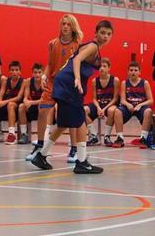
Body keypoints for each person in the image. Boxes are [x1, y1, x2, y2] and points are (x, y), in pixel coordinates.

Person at [31, 20, 113, 174]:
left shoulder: (91, 46)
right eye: (102, 33)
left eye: (109, 34)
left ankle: (41, 156)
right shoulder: (93, 46)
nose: (105, 36)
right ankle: (81, 162)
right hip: (69, 84)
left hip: (63, 83)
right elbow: (76, 60)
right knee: (80, 120)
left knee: (63, 123)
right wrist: (76, 78)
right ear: (96, 33)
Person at [27, 14, 82, 162]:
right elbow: (50, 64)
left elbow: (78, 65)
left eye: (68, 24)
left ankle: (74, 149)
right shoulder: (53, 43)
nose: (65, 26)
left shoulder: (77, 44)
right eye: (63, 24)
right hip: (53, 82)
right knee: (42, 110)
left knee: (70, 117)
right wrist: (44, 75)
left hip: (68, 84)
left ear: (73, 27)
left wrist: (77, 79)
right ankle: (39, 145)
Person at [113, 61, 154, 148]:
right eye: (131, 70)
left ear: (139, 72)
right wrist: (128, 104)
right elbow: (122, 100)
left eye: (135, 70)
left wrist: (140, 105)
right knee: (117, 111)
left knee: (148, 111)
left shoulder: (145, 83)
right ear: (128, 72)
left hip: (140, 107)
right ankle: (119, 138)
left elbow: (151, 100)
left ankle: (143, 138)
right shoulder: (124, 83)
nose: (133, 72)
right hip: (129, 107)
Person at [0, 61, 23, 144]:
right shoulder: (6, 81)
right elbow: (0, 94)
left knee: (10, 105)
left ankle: (11, 134)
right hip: (5, 104)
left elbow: (19, 97)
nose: (14, 72)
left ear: (20, 71)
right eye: (12, 70)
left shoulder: (23, 82)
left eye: (16, 70)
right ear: (9, 71)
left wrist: (4, 102)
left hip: (16, 106)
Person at [85, 58, 119, 147]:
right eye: (100, 66)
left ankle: (106, 136)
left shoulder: (115, 80)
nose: (102, 68)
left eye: (104, 66)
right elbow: (94, 99)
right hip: (99, 105)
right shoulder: (94, 81)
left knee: (112, 110)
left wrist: (104, 109)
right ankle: (93, 136)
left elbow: (115, 98)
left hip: (110, 104)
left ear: (109, 68)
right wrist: (99, 108)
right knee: (83, 110)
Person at [17, 63, 45, 145]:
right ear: (32, 73)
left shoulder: (45, 82)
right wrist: (26, 101)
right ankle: (24, 134)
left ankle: (42, 137)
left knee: (41, 106)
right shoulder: (28, 81)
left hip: (43, 106)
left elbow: (43, 100)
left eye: (39, 72)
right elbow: (25, 97)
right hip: (32, 105)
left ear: (42, 73)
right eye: (35, 72)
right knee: (21, 106)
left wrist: (30, 102)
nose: (37, 74)